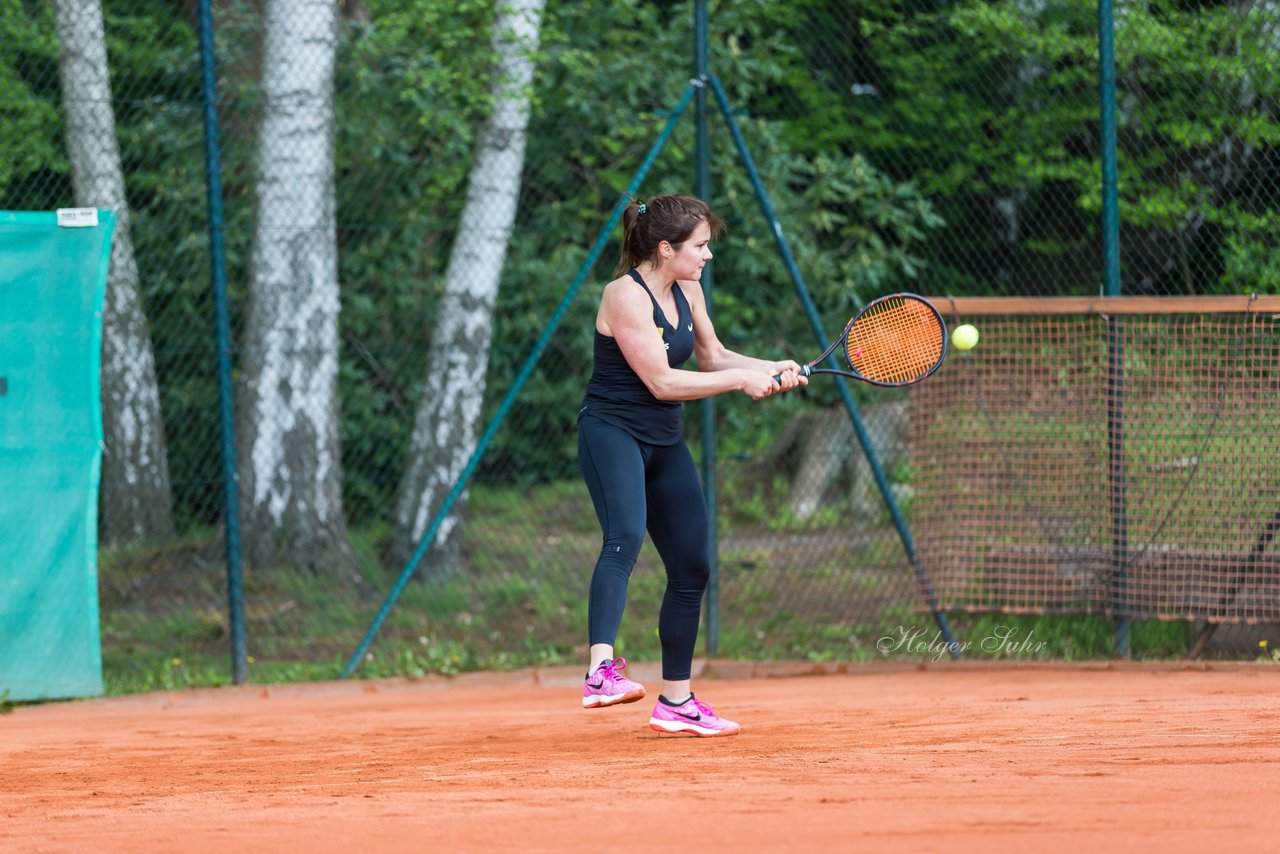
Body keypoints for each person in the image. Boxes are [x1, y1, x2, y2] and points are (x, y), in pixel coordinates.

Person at [576, 193, 807, 737]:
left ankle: (676, 702)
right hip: (612, 432)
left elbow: (713, 357)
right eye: (700, 246)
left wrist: (770, 366)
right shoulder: (623, 297)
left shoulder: (690, 287)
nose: (707, 256)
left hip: (663, 439)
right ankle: (599, 672)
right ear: (665, 247)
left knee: (692, 565)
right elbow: (663, 382)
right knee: (624, 537)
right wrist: (740, 381)